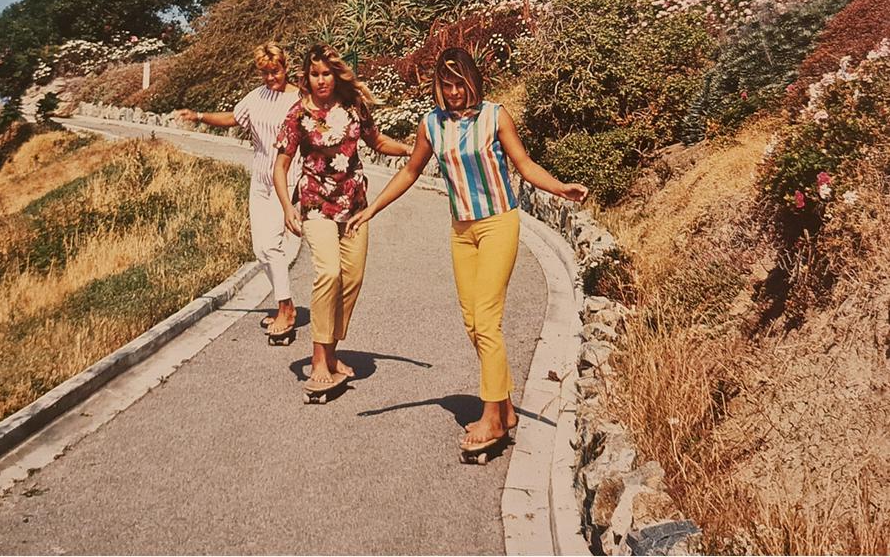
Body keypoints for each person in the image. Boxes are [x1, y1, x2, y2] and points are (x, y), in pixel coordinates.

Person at [346, 47, 588, 454]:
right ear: (438, 87)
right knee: (473, 323)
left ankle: (492, 418)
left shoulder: (496, 116)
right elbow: (409, 172)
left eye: (460, 83)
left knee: (488, 321)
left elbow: (524, 165)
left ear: (473, 81)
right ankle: (507, 407)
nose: (454, 91)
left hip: (498, 223)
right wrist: (371, 210)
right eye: (447, 84)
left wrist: (560, 188)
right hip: (461, 231)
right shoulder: (432, 125)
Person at [273, 43, 412, 387]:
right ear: (306, 77)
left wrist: (412, 149)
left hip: (355, 206)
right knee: (329, 273)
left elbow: (377, 142)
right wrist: (287, 208)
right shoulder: (297, 114)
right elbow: (280, 167)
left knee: (351, 280)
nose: (321, 80)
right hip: (316, 204)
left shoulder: (354, 107)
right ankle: (319, 360)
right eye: (315, 74)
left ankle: (331, 350)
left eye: (327, 74)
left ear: (336, 75)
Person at [174, 42, 302, 338]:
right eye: (265, 73)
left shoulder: (299, 99)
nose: (271, 78)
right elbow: (234, 117)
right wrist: (198, 116)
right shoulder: (257, 96)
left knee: (272, 245)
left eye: (276, 71)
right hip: (259, 179)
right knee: (260, 249)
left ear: (285, 67)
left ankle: (286, 308)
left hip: (287, 179)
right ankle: (286, 304)